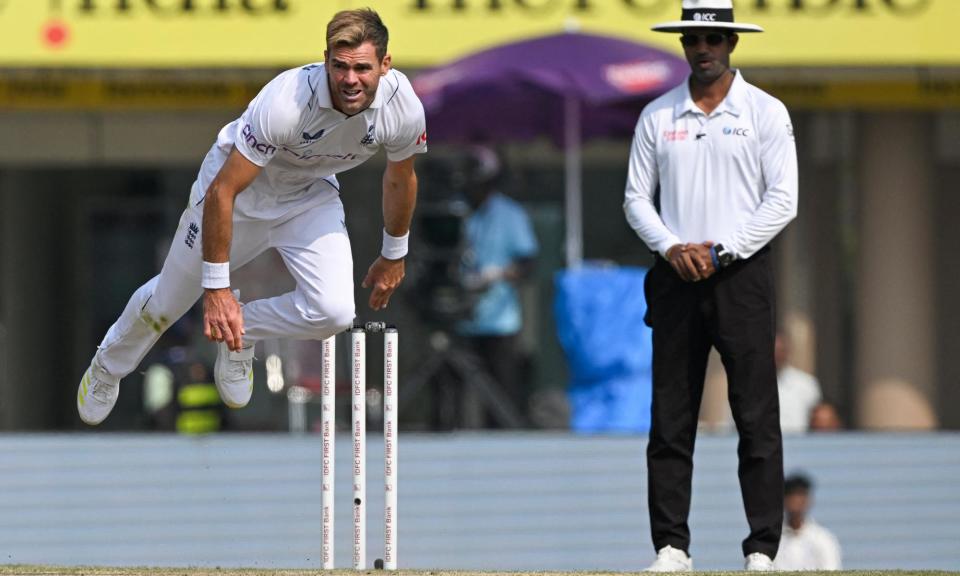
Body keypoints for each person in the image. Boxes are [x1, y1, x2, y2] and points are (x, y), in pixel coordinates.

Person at [76, 8, 427, 425]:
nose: (350, 79)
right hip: (239, 195)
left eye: (362, 69)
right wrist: (218, 290)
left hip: (308, 197)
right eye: (340, 66)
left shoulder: (402, 107)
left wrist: (393, 253)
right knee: (168, 305)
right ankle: (108, 367)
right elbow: (223, 190)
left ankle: (241, 335)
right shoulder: (288, 100)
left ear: (385, 65)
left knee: (333, 313)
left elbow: (399, 178)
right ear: (327, 60)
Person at [622, 0, 797, 571]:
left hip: (741, 275)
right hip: (675, 276)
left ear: (731, 44)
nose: (704, 49)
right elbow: (634, 200)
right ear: (682, 45)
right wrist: (674, 247)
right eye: (694, 41)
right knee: (670, 416)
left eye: (715, 39)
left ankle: (763, 549)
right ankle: (672, 547)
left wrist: (722, 250)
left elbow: (783, 201)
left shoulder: (766, 112)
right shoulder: (658, 115)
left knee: (755, 415)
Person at [456, 146, 539, 427]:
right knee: (457, 394)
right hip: (460, 318)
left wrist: (500, 274)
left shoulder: (510, 214)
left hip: (499, 320)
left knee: (501, 395)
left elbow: (528, 263)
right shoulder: (456, 210)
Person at [774, 473, 843, 570]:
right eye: (792, 495)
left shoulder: (824, 539)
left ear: (808, 500)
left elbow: (832, 569)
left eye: (800, 495)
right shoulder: (772, 540)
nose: (796, 500)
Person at [776, 332, 823, 434]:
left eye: (780, 351)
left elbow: (818, 421)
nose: (776, 355)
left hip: (801, 444)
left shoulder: (806, 383)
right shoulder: (750, 384)